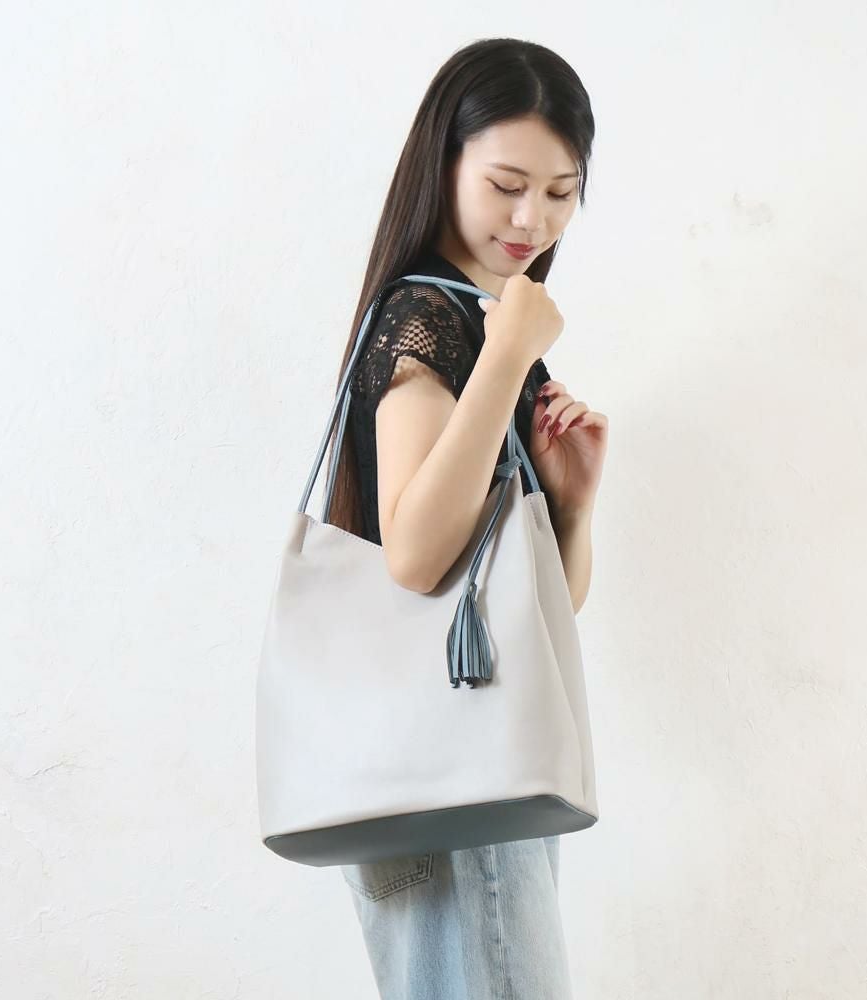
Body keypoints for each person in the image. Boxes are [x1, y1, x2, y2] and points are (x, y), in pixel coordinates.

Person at [324, 37, 608, 1000]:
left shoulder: (488, 328)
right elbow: (414, 555)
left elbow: (544, 610)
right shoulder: (429, 318)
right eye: (506, 185)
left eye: (562, 192)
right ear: (442, 164)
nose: (534, 219)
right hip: (455, 783)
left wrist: (572, 505)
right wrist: (506, 351)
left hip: (473, 771)